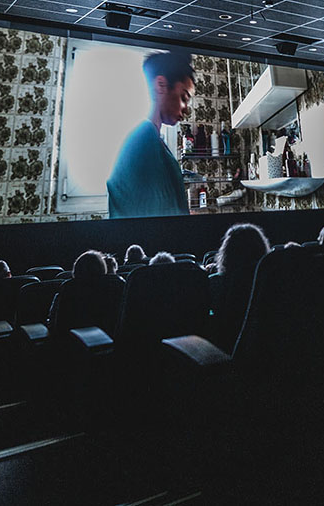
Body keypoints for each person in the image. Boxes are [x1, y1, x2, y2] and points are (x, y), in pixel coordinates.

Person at [107, 52, 194, 219]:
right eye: (184, 97)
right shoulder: (143, 141)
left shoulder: (151, 139)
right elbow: (160, 213)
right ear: (161, 85)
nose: (186, 108)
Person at [210, 223, 271, 353]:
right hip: (268, 353)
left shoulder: (217, 283)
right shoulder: (272, 281)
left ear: (227, 251)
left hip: (229, 354)